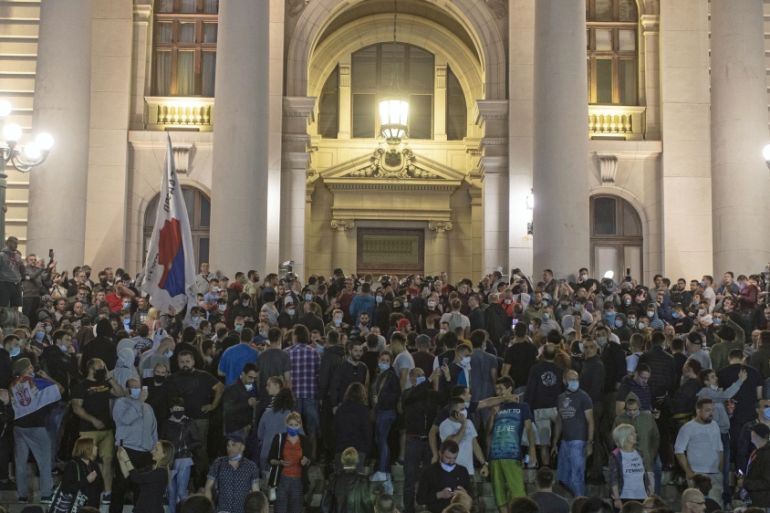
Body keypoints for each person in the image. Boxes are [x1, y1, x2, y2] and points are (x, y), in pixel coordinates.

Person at [168, 350, 224, 489]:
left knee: (200, 452)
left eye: (187, 361)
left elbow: (220, 387)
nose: (185, 365)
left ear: (193, 361)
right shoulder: (172, 378)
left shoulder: (203, 376)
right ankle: (183, 485)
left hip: (199, 419)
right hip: (178, 421)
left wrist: (213, 405)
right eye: (182, 362)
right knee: (179, 452)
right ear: (177, 363)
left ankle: (201, 484)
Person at [8, 356, 61, 503]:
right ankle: (45, 494)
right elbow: (60, 390)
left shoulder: (12, 385)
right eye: (30, 367)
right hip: (36, 426)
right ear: (26, 369)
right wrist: (47, 377)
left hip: (18, 427)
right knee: (44, 461)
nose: (33, 369)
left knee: (20, 463)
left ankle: (22, 495)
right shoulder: (36, 382)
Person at [71, 357, 123, 504]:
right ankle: (87, 491)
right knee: (87, 461)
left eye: (104, 367)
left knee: (108, 460)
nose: (102, 370)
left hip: (106, 430)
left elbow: (120, 394)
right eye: (100, 368)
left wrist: (110, 378)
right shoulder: (81, 386)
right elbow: (76, 408)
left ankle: (107, 492)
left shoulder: (105, 383)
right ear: (91, 368)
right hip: (89, 430)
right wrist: (93, 420)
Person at [484, 376, 537, 512]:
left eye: (501, 389)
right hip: (495, 457)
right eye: (496, 389)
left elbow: (529, 429)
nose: (498, 392)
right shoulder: (496, 407)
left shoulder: (522, 407)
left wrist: (532, 451)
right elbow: (488, 432)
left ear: (509, 389)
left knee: (517, 493)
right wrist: (492, 415)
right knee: (499, 495)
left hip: (512, 455)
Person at [111, 377, 158, 513]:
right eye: (134, 387)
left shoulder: (148, 407)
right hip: (127, 450)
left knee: (141, 488)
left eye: (139, 387)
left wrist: (154, 449)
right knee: (120, 486)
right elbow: (125, 419)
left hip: (145, 452)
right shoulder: (121, 403)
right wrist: (139, 402)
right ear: (127, 389)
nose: (137, 390)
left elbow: (153, 429)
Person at [402, 367, 440, 513]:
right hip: (413, 441)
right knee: (409, 479)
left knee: (428, 478)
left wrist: (447, 379)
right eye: (418, 375)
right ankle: (409, 509)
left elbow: (444, 398)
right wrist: (429, 380)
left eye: (423, 375)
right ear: (411, 378)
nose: (422, 378)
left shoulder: (430, 395)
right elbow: (413, 395)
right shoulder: (407, 394)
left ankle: (427, 508)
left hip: (429, 442)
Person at [552, 369, 594, 497]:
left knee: (577, 475)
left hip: (578, 441)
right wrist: (554, 442)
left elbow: (590, 421)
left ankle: (580, 503)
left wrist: (589, 442)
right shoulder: (560, 398)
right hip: (565, 441)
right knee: (563, 477)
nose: (574, 382)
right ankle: (575, 501)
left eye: (576, 379)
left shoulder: (584, 396)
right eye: (571, 379)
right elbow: (559, 421)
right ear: (564, 381)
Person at [674, 398, 724, 505]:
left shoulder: (715, 425)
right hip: (697, 475)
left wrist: (719, 469)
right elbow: (679, 451)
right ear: (698, 410)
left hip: (715, 475)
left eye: (712, 410)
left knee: (716, 505)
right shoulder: (687, 428)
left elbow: (720, 448)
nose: (711, 413)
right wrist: (689, 472)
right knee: (696, 506)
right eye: (707, 410)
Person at [162, 398, 202, 513]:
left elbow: (198, 441)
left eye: (181, 409)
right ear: (171, 409)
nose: (178, 411)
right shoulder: (166, 424)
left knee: (181, 491)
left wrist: (186, 447)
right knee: (171, 492)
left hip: (184, 459)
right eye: (176, 408)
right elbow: (161, 441)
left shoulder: (189, 422)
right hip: (169, 460)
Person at [268, 412, 311, 513]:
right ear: (286, 424)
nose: (293, 427)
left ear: (300, 425)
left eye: (296, 425)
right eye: (291, 424)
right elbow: (270, 459)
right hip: (282, 479)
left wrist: (306, 461)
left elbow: (310, 460)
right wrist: (280, 462)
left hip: (298, 481)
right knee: (280, 509)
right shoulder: (279, 438)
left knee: (296, 509)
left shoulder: (305, 440)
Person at [205, 433, 260, 513]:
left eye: (233, 445)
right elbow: (208, 487)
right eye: (228, 445)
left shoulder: (251, 466)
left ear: (242, 447)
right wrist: (208, 508)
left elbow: (255, 493)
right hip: (222, 510)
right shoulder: (218, 463)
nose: (230, 448)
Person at [116, 440, 175, 513]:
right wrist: (121, 459)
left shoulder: (161, 473)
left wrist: (127, 459)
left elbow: (136, 478)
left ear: (164, 454)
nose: (152, 451)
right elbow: (129, 475)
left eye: (156, 449)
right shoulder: (151, 469)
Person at [371, 350, 401, 486]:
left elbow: (395, 395)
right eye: (382, 360)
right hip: (380, 411)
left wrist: (380, 399)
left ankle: (383, 470)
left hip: (387, 412)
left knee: (382, 440)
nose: (384, 362)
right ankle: (385, 471)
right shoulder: (380, 375)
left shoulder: (391, 376)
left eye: (386, 360)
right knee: (380, 440)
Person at [416, 440, 471, 513]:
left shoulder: (462, 471)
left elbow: (472, 496)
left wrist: (464, 493)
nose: (451, 462)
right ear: (440, 453)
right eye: (448, 458)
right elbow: (420, 499)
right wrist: (439, 495)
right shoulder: (428, 471)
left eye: (454, 458)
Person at [609, 424, 652, 510]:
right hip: (624, 496)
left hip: (642, 496)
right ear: (624, 437)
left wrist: (649, 491)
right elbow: (614, 478)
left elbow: (644, 474)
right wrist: (617, 498)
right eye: (632, 434)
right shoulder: (616, 455)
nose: (635, 435)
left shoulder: (639, 452)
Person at [258, 385, 296, 475]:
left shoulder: (266, 413)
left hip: (265, 456)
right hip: (283, 459)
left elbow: (259, 435)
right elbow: (300, 438)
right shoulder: (292, 417)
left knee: (266, 484)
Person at [58, 437, 103, 508]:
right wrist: (86, 480)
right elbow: (66, 488)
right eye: (94, 446)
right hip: (78, 507)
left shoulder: (94, 465)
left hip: (93, 507)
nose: (97, 448)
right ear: (86, 448)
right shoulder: (72, 465)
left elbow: (100, 485)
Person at [329, 447, 374, 513]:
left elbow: (327, 502)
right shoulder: (362, 480)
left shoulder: (334, 478)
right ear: (357, 460)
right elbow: (366, 502)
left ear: (342, 460)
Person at [223, 363, 258, 438]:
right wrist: (247, 403)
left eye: (255, 378)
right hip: (235, 430)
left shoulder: (250, 386)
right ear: (243, 374)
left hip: (246, 428)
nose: (252, 381)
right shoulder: (231, 389)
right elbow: (228, 410)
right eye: (250, 377)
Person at [742, 423, 770, 509]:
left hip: (763, 504)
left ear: (756, 435)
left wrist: (745, 483)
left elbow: (767, 483)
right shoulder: (758, 451)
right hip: (755, 502)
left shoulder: (767, 455)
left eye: (752, 431)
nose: (751, 433)